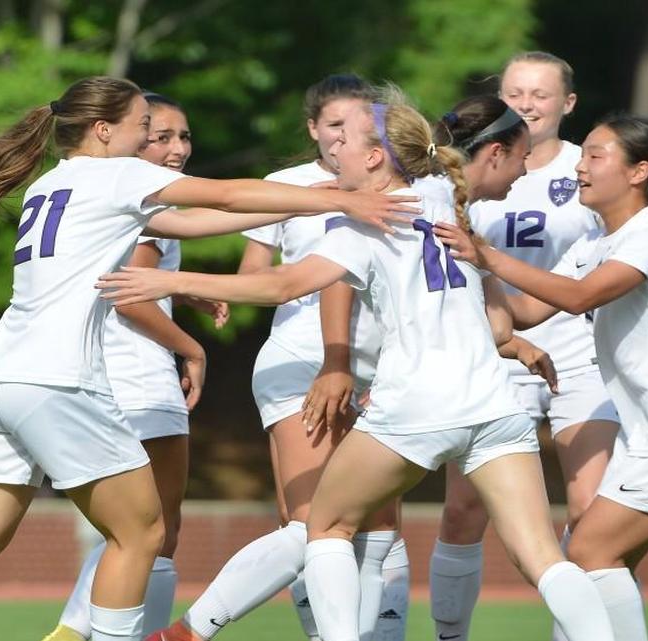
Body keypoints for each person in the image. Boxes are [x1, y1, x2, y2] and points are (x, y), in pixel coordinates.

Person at [0, 76, 417, 641]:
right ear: (104, 129)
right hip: (56, 383)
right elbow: (223, 196)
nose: (152, 139)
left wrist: (304, 209)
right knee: (142, 534)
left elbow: (191, 223)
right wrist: (341, 200)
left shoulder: (49, 184)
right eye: (145, 126)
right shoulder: (116, 174)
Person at [98, 87, 615, 641]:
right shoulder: (441, 192)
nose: (332, 149)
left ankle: (213, 631)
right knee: (544, 559)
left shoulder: (362, 224)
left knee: (324, 527)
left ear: (375, 157)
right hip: (493, 404)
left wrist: (170, 280)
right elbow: (489, 308)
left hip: (415, 406)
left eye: (343, 140)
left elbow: (284, 284)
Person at [434, 113, 648, 641]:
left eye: (596, 156)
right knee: (598, 563)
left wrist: (486, 255)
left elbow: (580, 297)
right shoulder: (595, 244)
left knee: (586, 550)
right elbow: (528, 311)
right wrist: (470, 262)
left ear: (638, 172)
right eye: (583, 156)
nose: (579, 166)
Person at [430, 51, 620, 641]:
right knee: (465, 509)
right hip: (489, 346)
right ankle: (449, 635)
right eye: (515, 92)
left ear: (567, 104)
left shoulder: (591, 167)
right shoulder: (460, 174)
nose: (527, 104)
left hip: (577, 343)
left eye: (541, 94)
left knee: (589, 510)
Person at [43, 92, 229, 641]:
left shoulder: (94, 191)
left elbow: (124, 279)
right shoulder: (136, 195)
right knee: (154, 532)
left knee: (134, 532)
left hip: (99, 375)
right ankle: (78, 635)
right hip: (139, 379)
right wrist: (190, 348)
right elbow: (131, 299)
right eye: (160, 135)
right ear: (126, 136)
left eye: (184, 136)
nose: (176, 148)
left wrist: (183, 292)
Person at [236, 73, 407, 641]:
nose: (343, 138)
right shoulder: (287, 186)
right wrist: (215, 290)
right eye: (333, 125)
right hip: (303, 358)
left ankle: (381, 635)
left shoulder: (397, 183)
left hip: (377, 367)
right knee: (308, 524)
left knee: (380, 525)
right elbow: (261, 277)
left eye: (359, 126)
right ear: (313, 129)